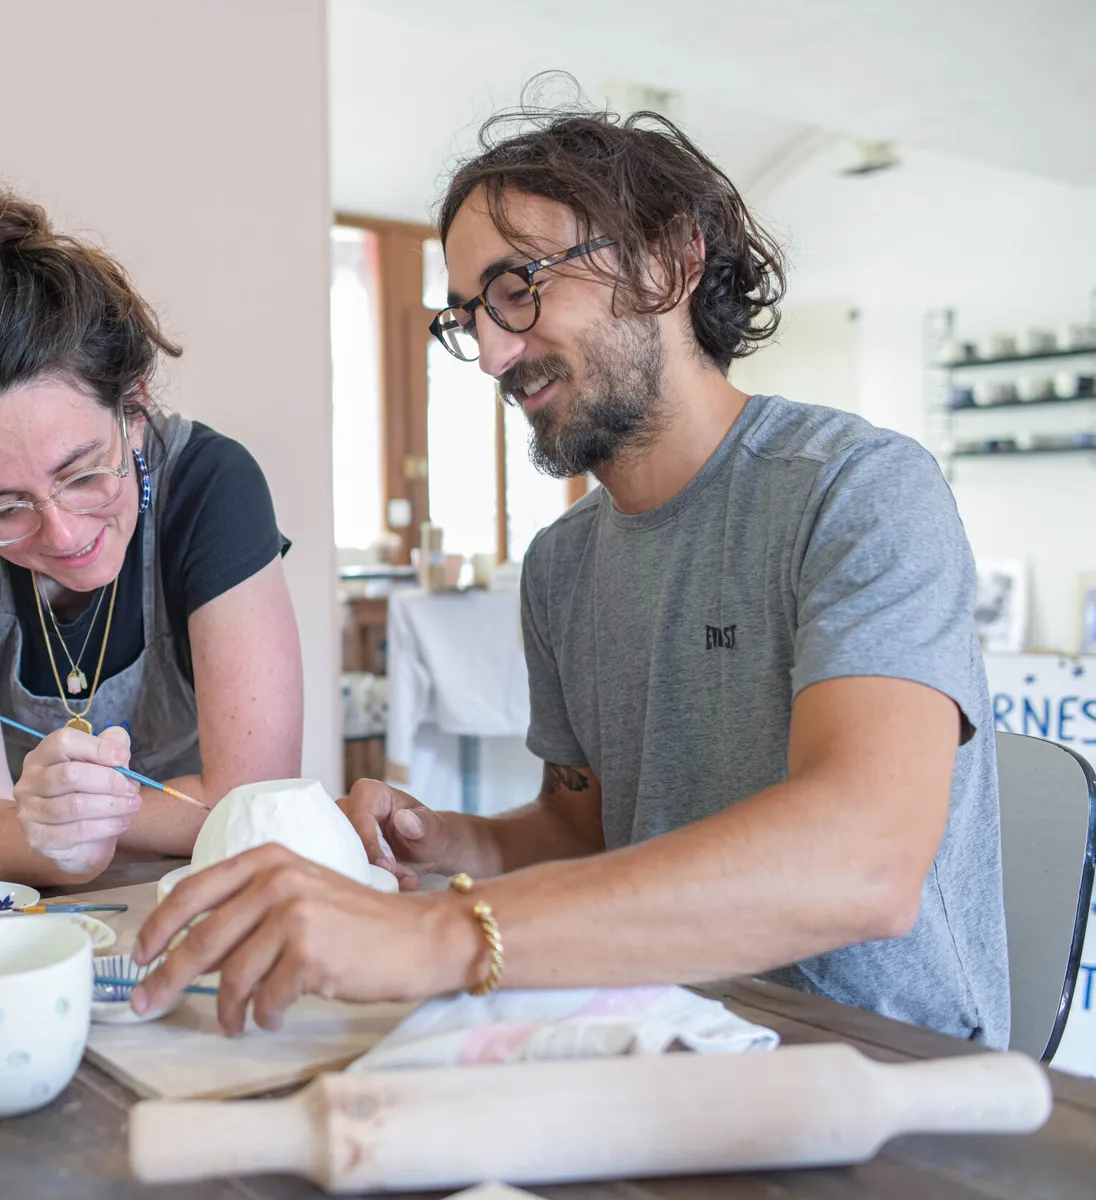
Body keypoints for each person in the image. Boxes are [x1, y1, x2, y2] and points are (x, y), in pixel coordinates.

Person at [132, 104, 1010, 1047]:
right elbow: (587, 827)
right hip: (656, 1028)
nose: (496, 354)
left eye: (517, 288)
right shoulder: (563, 564)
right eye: (469, 318)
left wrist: (438, 933)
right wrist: (445, 843)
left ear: (670, 263)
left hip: (877, 1065)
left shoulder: (858, 490)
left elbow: (864, 861)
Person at [0, 182, 303, 887]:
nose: (62, 533)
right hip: (6, 902)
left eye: (82, 474)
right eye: (3, 507)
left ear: (132, 410)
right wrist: (62, 831)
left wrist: (61, 818)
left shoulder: (212, 489)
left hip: (197, 888)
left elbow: (256, 806)